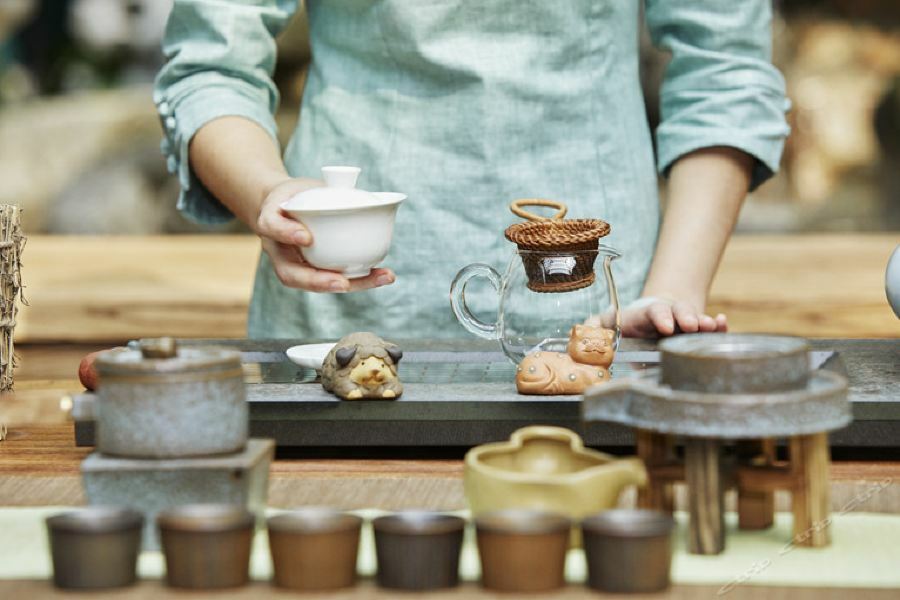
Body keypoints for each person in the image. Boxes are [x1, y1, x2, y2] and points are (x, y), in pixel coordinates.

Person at [154, 1, 789, 340]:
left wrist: (670, 296)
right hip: (341, 312)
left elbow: (724, 68)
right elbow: (213, 64)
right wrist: (270, 193)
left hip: (602, 317)